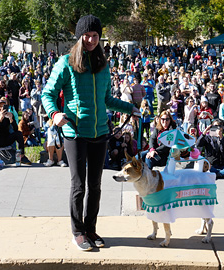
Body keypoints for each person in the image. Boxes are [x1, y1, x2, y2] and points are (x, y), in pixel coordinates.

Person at [41, 14, 139, 251]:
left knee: (95, 184)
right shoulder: (65, 62)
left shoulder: (103, 65)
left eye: (95, 36)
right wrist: (55, 115)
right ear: (79, 36)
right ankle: (78, 232)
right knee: (79, 185)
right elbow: (47, 94)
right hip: (75, 132)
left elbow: (106, 99)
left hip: (100, 133)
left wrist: (130, 108)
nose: (91, 40)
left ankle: (91, 228)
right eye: (87, 35)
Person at [0, 99, 31, 170]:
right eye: (0, 106)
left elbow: (15, 129)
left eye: (3, 106)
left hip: (5, 139)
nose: (2, 108)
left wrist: (11, 119)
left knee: (19, 133)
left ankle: (22, 156)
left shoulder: (8, 115)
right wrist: (0, 118)